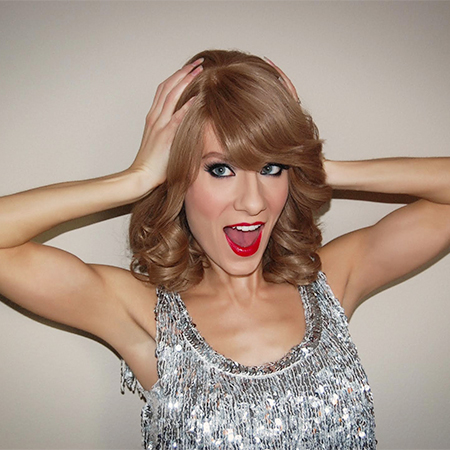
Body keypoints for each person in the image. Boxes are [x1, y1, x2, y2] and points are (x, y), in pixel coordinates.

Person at [0, 49, 449, 449]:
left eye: (270, 168)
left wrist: (312, 164)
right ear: (176, 178)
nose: (253, 202)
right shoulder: (142, 312)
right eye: (220, 170)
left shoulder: (330, 283)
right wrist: (135, 179)